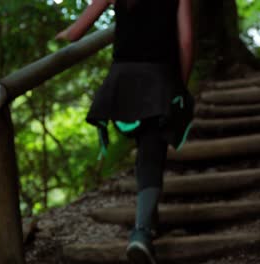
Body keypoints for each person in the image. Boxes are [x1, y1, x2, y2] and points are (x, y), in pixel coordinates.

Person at [56, 0, 194, 263]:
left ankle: (148, 223)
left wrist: (61, 38)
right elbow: (186, 42)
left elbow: (75, 33)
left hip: (123, 84)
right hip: (158, 78)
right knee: (152, 152)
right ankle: (141, 233)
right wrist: (180, 87)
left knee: (147, 148)